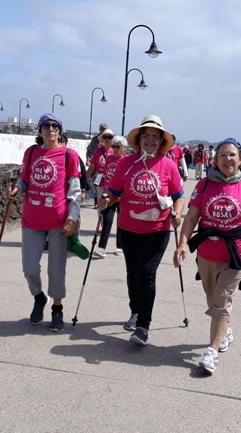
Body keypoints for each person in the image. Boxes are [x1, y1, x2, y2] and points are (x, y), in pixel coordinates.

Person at [173, 137, 241, 374]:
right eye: (223, 155)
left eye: (232, 155)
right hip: (207, 254)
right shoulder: (204, 185)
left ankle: (211, 352)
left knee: (221, 302)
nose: (227, 159)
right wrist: (182, 244)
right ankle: (225, 330)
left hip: (237, 254)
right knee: (213, 300)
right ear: (215, 160)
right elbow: (191, 217)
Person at [100, 115, 185, 345]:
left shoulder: (169, 165)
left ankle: (142, 327)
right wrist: (106, 199)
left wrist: (177, 213)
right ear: (139, 140)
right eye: (146, 136)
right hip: (128, 229)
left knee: (146, 272)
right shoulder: (126, 163)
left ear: (161, 141)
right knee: (132, 272)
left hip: (157, 229)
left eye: (155, 137)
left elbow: (179, 196)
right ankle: (135, 310)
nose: (150, 140)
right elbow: (114, 192)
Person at [10, 113, 82, 332]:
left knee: (56, 269)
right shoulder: (32, 152)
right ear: (40, 130)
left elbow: (75, 191)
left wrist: (72, 218)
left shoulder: (69, 155)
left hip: (59, 221)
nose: (51, 129)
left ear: (60, 131)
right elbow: (24, 180)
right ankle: (39, 297)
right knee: (29, 268)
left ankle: (57, 309)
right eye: (46, 126)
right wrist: (17, 189)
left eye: (55, 126)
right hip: (32, 219)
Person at [94, 135, 128, 259]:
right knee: (107, 220)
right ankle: (101, 247)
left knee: (120, 222)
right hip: (108, 194)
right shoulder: (109, 158)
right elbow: (105, 174)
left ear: (124, 148)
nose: (115, 149)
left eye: (118, 147)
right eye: (113, 146)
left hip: (122, 196)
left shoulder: (127, 160)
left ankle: (120, 246)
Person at [86, 128, 115, 215]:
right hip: (101, 183)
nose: (107, 139)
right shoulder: (98, 151)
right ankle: (101, 220)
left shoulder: (115, 151)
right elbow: (92, 167)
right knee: (101, 205)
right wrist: (84, 179)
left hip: (112, 184)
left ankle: (106, 221)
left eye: (109, 137)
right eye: (105, 137)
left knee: (110, 206)